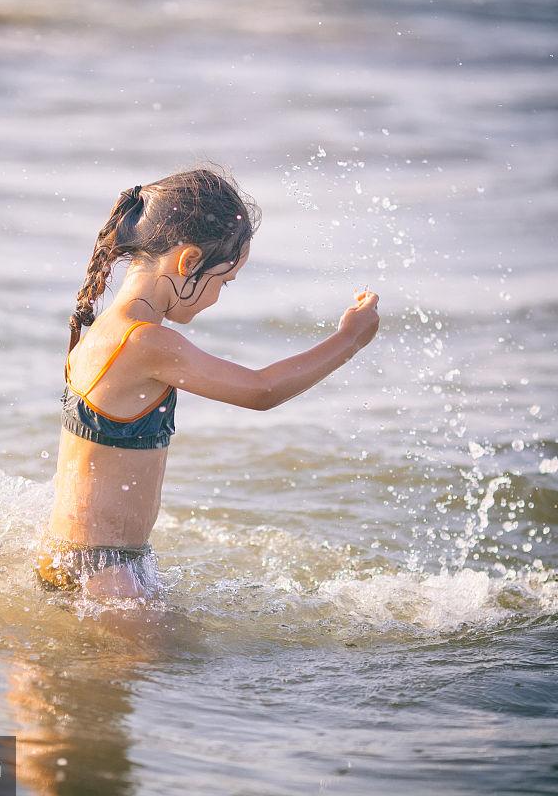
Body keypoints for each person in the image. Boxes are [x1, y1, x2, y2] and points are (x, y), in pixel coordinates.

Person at [36, 166, 380, 600]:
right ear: (189, 261)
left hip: (71, 557)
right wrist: (348, 340)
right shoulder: (145, 342)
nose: (218, 296)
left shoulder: (106, 327)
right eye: (223, 281)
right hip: (109, 573)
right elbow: (261, 391)